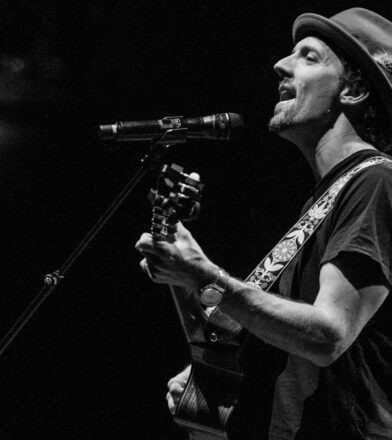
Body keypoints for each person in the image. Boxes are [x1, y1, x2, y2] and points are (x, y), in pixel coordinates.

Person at [135, 7, 392, 440]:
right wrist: (208, 376)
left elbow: (328, 336)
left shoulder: (376, 181)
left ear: (353, 89)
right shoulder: (322, 201)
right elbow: (252, 336)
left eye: (309, 57)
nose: (281, 65)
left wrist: (204, 275)